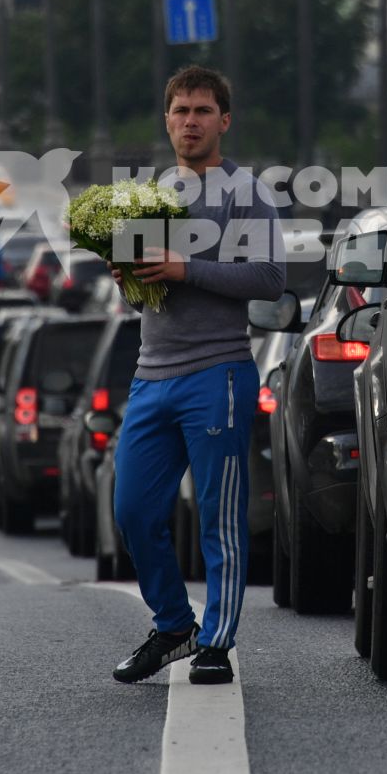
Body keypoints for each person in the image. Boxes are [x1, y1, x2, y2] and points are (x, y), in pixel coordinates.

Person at [110, 66, 285, 686]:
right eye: (180, 111)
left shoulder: (246, 192)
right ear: (167, 119)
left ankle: (216, 641)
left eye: (203, 111)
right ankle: (173, 624)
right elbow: (142, 295)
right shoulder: (151, 192)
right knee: (132, 509)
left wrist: (186, 269)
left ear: (224, 121)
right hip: (151, 374)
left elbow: (269, 279)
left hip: (219, 373)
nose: (190, 121)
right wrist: (130, 277)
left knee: (218, 515)